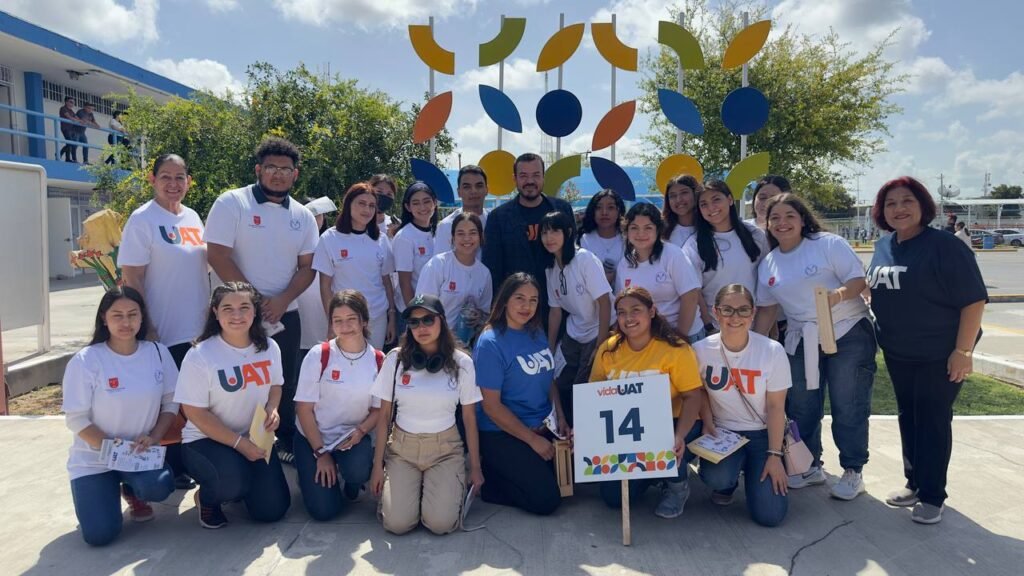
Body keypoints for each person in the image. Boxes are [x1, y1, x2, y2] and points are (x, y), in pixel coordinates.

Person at [866, 176, 986, 524]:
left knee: (933, 419)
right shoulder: (884, 245)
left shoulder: (945, 246)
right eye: (890, 203)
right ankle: (915, 482)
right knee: (909, 416)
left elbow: (974, 300)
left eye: (907, 201)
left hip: (939, 352)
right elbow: (881, 286)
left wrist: (963, 351)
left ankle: (933, 495)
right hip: (898, 351)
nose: (899, 209)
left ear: (923, 206)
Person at [752, 193, 876, 499]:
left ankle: (853, 469)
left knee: (848, 403)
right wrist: (751, 345)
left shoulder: (827, 244)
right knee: (801, 405)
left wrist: (838, 295)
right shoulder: (768, 264)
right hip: (802, 337)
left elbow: (858, 280)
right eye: (775, 218)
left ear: (803, 219)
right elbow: (767, 309)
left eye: (789, 216)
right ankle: (809, 466)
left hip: (847, 330)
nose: (782, 223)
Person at [205, 137, 318, 463]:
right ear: (258, 170)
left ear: (295, 174)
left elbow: (308, 268)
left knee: (284, 380)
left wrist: (282, 300)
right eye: (271, 167)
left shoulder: (303, 216)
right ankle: (231, 442)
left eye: (286, 169)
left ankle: (282, 442)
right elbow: (218, 255)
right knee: (237, 379)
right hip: (237, 315)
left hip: (285, 313)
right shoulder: (232, 203)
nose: (278, 174)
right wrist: (251, 301)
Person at [61, 287, 178, 546]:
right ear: (104, 318)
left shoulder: (158, 352)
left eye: (132, 314)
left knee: (158, 486)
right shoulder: (86, 360)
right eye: (117, 315)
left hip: (139, 453)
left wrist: (154, 437)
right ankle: (102, 492)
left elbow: (171, 402)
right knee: (99, 535)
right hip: (94, 458)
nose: (126, 322)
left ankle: (133, 490)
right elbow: (76, 419)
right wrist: (112, 448)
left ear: (142, 317)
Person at [119, 153, 209, 489]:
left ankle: (191, 462)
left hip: (197, 330)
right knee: (167, 401)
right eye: (166, 177)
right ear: (152, 179)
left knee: (193, 400)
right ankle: (169, 466)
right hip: (163, 330)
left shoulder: (193, 217)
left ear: (189, 181)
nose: (173, 184)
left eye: (180, 177)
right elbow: (132, 277)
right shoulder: (142, 220)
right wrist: (147, 325)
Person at [175, 282, 291, 529]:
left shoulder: (269, 347)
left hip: (254, 438)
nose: (236, 315)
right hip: (206, 440)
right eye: (227, 308)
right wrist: (240, 445)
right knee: (231, 482)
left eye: (244, 307)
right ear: (215, 312)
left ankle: (241, 482)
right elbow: (194, 412)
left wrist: (272, 408)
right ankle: (208, 497)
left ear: (255, 311)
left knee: (272, 510)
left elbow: (276, 386)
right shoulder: (200, 355)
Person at [369, 294, 484, 535]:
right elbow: (384, 416)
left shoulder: (462, 363)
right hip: (402, 450)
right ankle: (416, 492)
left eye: (428, 320)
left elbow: (469, 418)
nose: (421, 327)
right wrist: (377, 466)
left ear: (442, 321)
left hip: (445, 450)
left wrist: (475, 466)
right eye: (414, 322)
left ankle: (440, 490)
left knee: (440, 524)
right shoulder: (395, 359)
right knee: (397, 524)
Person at [589, 286, 704, 518]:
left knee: (666, 445)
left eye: (636, 310)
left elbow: (693, 396)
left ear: (651, 312)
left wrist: (679, 435)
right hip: (627, 431)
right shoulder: (608, 349)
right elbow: (593, 395)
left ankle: (677, 487)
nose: (628, 318)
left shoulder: (675, 349)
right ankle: (656, 474)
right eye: (622, 312)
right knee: (613, 497)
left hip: (672, 422)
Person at [693, 284, 790, 527]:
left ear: (753, 313)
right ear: (715, 312)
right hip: (724, 432)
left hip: (762, 434)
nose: (735, 317)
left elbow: (776, 407)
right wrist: (708, 422)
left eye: (743, 310)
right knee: (717, 478)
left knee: (770, 516)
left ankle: (755, 470)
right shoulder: (701, 350)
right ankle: (730, 480)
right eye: (727, 310)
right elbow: (699, 391)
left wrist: (774, 455)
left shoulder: (771, 350)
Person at [474, 273, 566, 516]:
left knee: (575, 478)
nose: (527, 306)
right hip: (503, 432)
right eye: (520, 298)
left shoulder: (536, 332)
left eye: (533, 300)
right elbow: (491, 407)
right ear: (505, 300)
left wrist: (560, 418)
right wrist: (532, 440)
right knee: (546, 500)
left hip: (542, 425)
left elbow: (549, 378)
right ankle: (491, 483)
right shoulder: (490, 343)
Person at [294, 290, 382, 520]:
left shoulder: (378, 360)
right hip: (313, 439)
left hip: (351, 438)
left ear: (364, 321)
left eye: (351, 319)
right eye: (338, 320)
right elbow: (303, 409)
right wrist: (321, 453)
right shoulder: (319, 355)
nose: (345, 326)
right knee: (325, 512)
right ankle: (310, 473)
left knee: (357, 470)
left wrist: (361, 431)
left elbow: (378, 410)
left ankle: (351, 480)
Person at [483, 152, 576, 317]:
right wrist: (498, 312)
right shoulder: (498, 217)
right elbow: (493, 269)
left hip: (560, 306)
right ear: (515, 179)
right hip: (517, 308)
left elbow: (572, 255)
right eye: (523, 176)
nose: (530, 181)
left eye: (536, 175)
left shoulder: (562, 209)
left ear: (543, 177)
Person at [542, 211, 612, 425]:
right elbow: (555, 311)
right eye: (544, 232)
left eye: (555, 231)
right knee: (559, 379)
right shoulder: (551, 268)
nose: (549, 238)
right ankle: (564, 426)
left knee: (584, 386)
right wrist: (550, 348)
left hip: (598, 330)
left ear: (568, 232)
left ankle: (582, 431)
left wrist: (601, 344)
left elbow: (604, 302)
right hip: (574, 331)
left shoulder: (584, 259)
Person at [314, 182, 397, 349]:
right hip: (345, 319)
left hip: (376, 317)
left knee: (374, 362)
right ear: (348, 204)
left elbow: (387, 282)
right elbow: (325, 286)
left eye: (372, 205)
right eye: (361, 203)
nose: (367, 209)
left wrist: (392, 317)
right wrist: (332, 321)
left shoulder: (381, 239)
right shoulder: (330, 238)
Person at [683, 180, 768, 334]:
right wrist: (709, 326)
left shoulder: (755, 235)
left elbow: (767, 284)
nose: (711, 208)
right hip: (716, 329)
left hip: (753, 327)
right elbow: (695, 292)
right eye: (703, 204)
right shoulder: (693, 245)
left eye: (716, 199)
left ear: (729, 200)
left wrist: (766, 326)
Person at [615, 202, 703, 341]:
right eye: (634, 228)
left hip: (683, 335)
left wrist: (679, 336)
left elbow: (690, 297)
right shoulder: (624, 264)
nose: (641, 233)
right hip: (648, 339)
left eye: (648, 227)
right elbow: (622, 303)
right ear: (626, 231)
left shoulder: (673, 255)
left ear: (658, 230)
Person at [416, 212, 492, 347]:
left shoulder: (484, 273)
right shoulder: (438, 265)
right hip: (435, 342)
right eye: (461, 233)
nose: (467, 238)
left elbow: (485, 312)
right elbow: (421, 308)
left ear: (481, 237)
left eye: (473, 233)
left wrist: (479, 317)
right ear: (452, 238)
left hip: (466, 345)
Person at [296, 196, 338, 361]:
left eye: (318, 215)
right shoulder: (291, 242)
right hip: (299, 313)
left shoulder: (331, 241)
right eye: (309, 214)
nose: (314, 219)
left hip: (324, 312)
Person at [393, 181, 439, 322]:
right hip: (413, 312)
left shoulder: (438, 232)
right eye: (416, 203)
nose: (422, 207)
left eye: (426, 201)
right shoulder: (404, 237)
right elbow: (404, 282)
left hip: (433, 309)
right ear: (408, 207)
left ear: (435, 203)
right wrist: (414, 315)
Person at [435, 165, 490, 255]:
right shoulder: (446, 226)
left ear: (487, 190)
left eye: (479, 186)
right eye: (467, 187)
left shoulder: (494, 221)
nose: (473, 191)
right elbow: (440, 262)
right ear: (459, 192)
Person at [579, 189, 626, 285]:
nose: (604, 212)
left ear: (619, 211)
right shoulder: (585, 239)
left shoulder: (628, 239)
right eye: (598, 207)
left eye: (610, 207)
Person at [663, 174, 701, 248]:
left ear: (695, 194)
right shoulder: (661, 231)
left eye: (684, 193)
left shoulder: (711, 228)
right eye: (673, 196)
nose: (679, 199)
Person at [369, 174, 399, 238]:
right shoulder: (358, 223)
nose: (384, 197)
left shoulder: (396, 225)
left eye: (389, 194)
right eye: (379, 192)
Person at [59, 97, 81, 162]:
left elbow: (77, 118)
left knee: (69, 143)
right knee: (70, 143)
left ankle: (67, 158)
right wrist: (77, 121)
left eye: (73, 103)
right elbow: (69, 117)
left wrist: (82, 121)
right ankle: (59, 154)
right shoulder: (63, 108)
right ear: (66, 102)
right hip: (65, 128)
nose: (72, 104)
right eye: (71, 102)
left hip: (71, 129)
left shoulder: (71, 111)